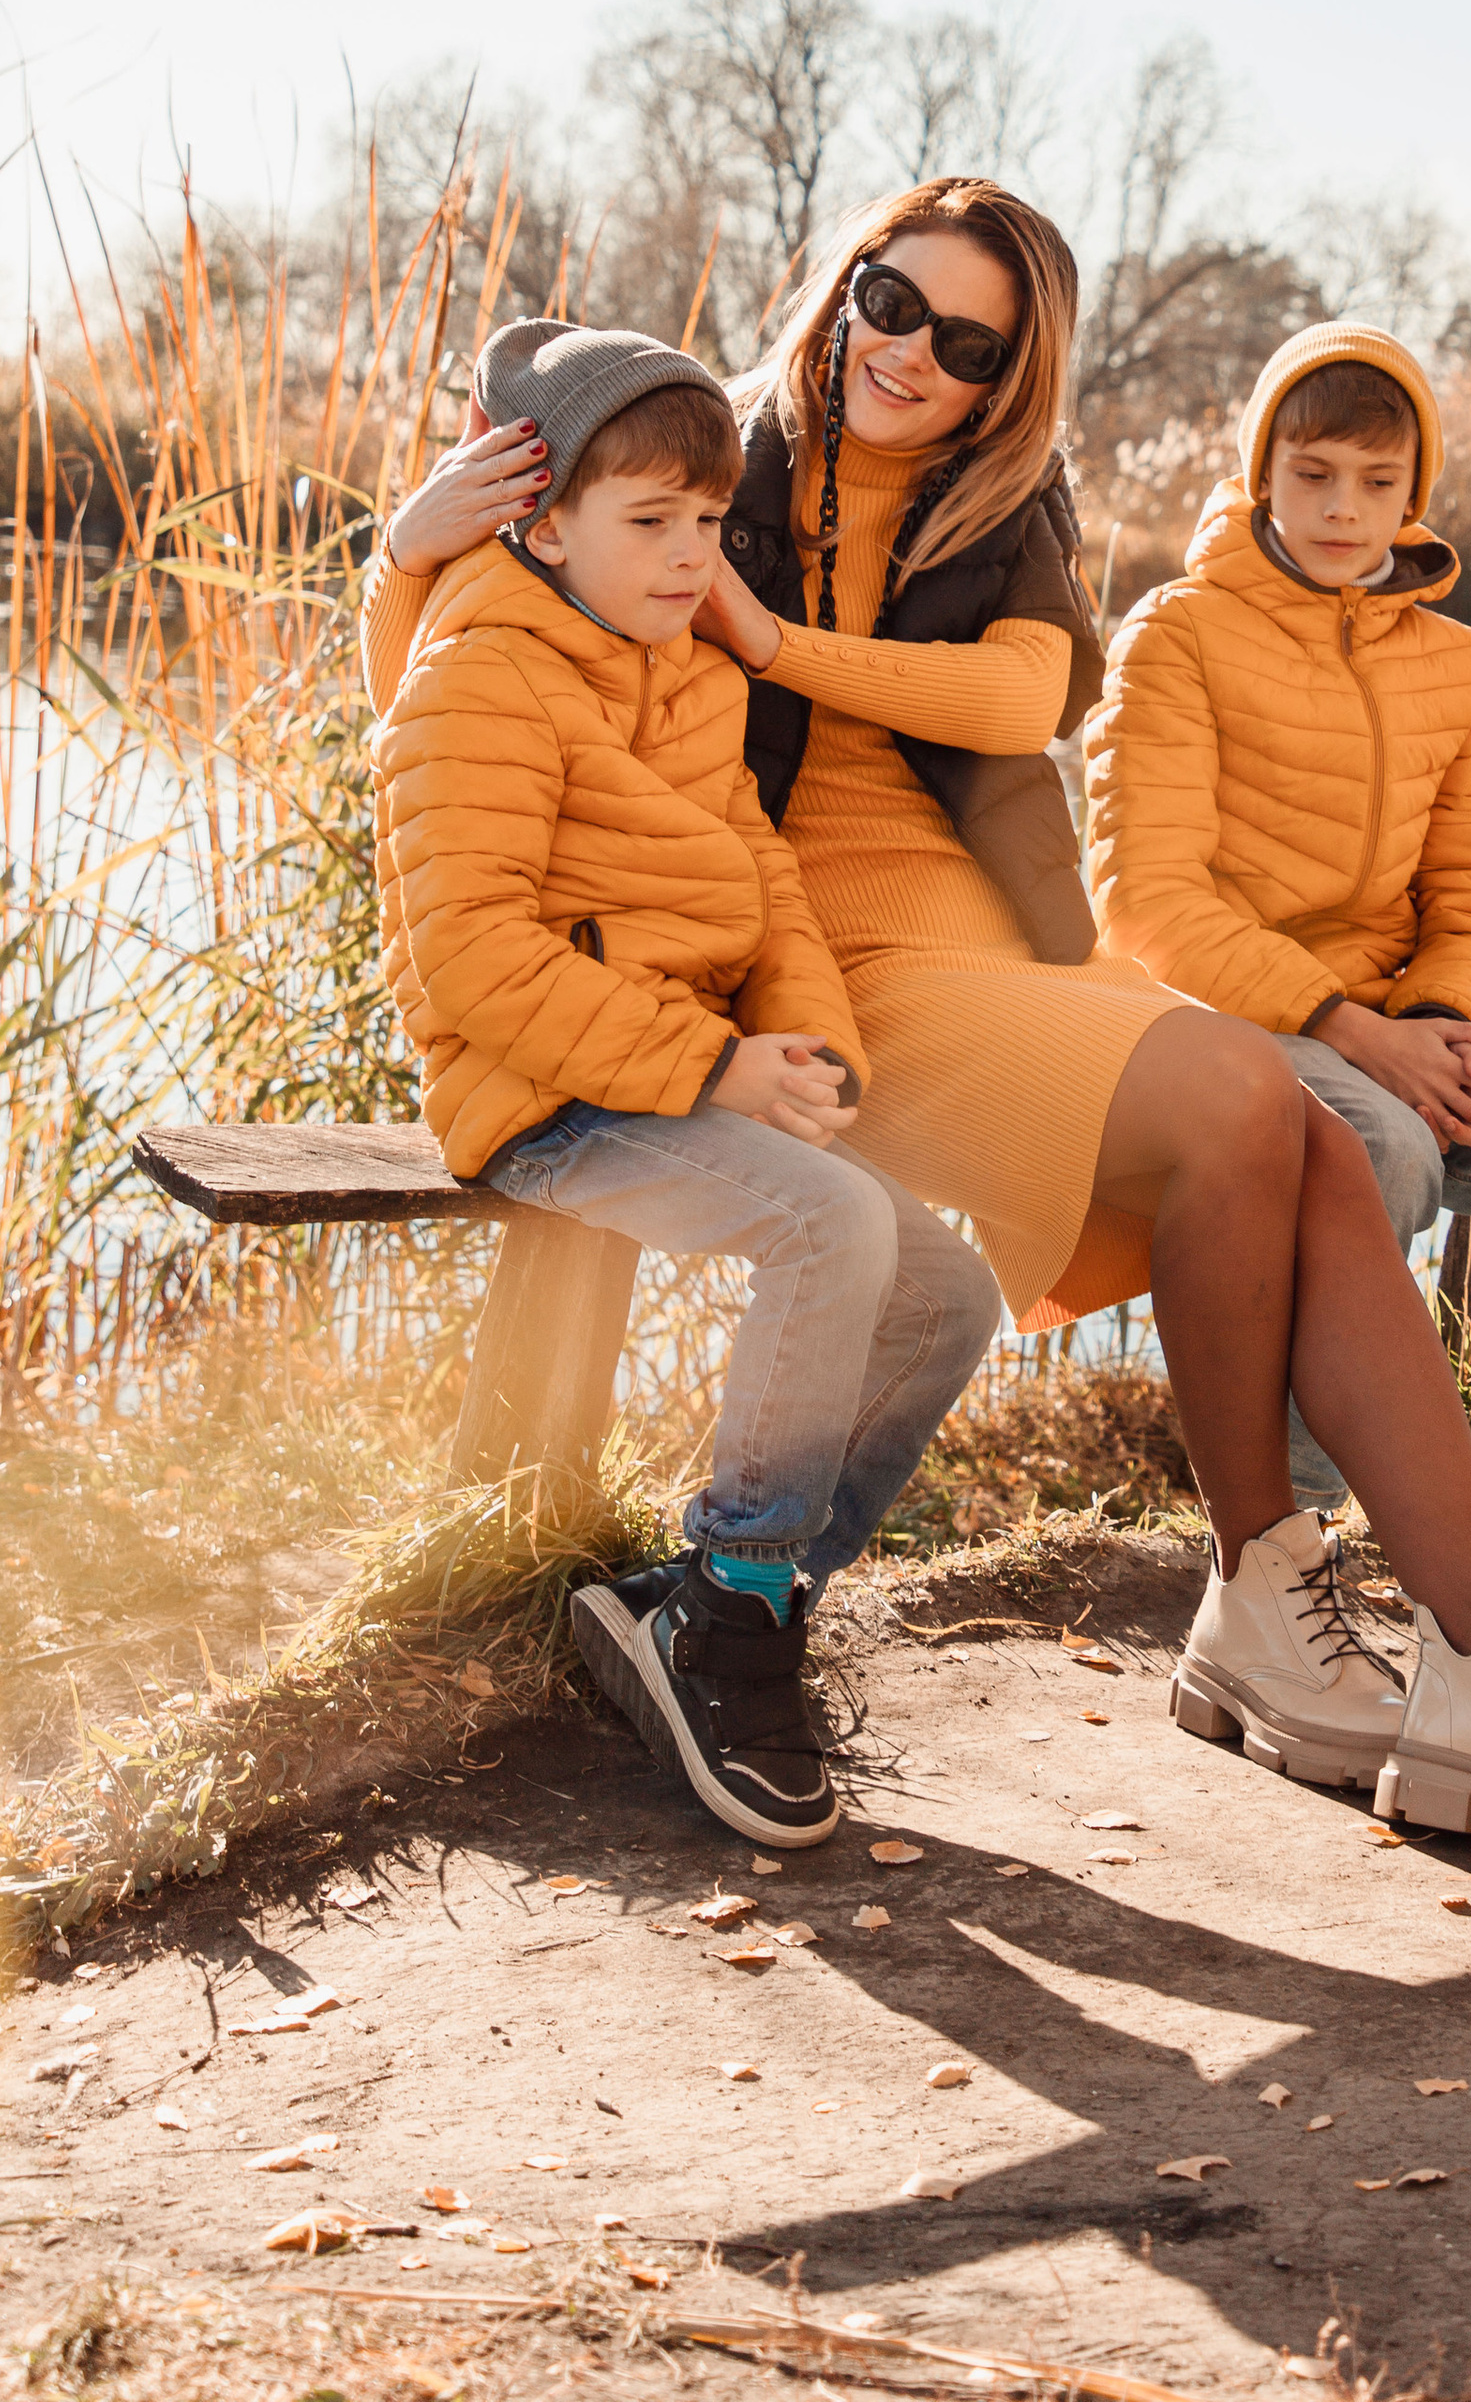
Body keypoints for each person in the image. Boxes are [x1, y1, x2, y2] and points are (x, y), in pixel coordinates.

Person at [380, 191, 1471, 1869]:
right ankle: (1446, 1659)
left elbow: (1026, 700)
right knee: (1242, 1090)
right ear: (845, 284)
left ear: (1010, 378)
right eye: (891, 302)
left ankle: (1336, 1624)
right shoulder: (704, 457)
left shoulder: (1003, 498)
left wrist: (778, 639)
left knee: (1301, 1132)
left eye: (968, 344)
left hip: (998, 939)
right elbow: (455, 676)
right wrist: (402, 547)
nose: (910, 354)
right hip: (836, 958)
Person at [368, 320, 1001, 1850]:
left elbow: (763, 883)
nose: (687, 556)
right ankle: (733, 1634)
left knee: (949, 1295)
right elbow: (471, 961)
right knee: (831, 1231)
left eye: (708, 522)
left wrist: (806, 1043)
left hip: (672, 1077)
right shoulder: (477, 677)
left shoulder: (689, 675)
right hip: (539, 1097)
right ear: (544, 522)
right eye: (648, 520)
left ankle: (722, 1594)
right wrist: (715, 1063)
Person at [1085, 325, 1471, 1705]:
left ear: (1416, 492)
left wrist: (1452, 1025)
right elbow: (1148, 898)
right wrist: (1349, 1027)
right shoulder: (1176, 635)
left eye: (1378, 481)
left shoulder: (1450, 661)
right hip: (1223, 1021)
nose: (1345, 509)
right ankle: (1281, 1555)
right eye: (1315, 474)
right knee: (1383, 1155)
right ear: (1261, 475)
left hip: (1405, 1033)